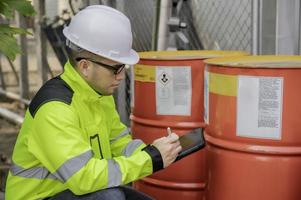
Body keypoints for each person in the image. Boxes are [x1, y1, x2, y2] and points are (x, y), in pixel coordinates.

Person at [5, 5, 182, 200]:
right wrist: (150, 160)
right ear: (85, 66)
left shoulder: (99, 95)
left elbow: (118, 143)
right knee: (111, 198)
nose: (122, 76)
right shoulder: (55, 109)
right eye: (116, 68)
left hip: (72, 192)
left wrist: (151, 151)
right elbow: (84, 178)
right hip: (40, 197)